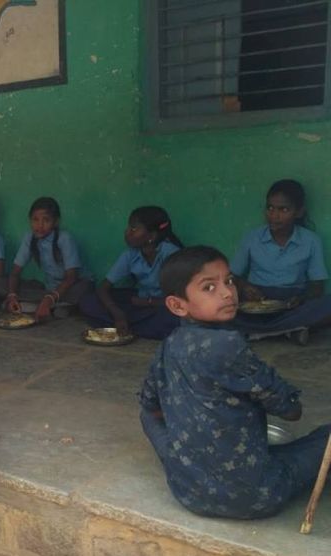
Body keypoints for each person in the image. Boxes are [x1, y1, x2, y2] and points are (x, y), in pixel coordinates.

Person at [139, 245, 331, 519]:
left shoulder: (168, 346)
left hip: (188, 491)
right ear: (177, 305)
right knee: (324, 439)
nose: (228, 292)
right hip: (256, 495)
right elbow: (290, 410)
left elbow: (150, 406)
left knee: (147, 416)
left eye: (229, 281)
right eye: (209, 287)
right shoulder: (227, 344)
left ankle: (189, 461)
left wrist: (189, 427)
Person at [230, 179, 331, 344]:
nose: (274, 216)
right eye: (270, 208)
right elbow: (231, 276)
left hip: (292, 303)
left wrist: (302, 299)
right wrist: (243, 286)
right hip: (257, 301)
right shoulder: (252, 237)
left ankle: (257, 332)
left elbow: (317, 286)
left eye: (283, 209)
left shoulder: (311, 241)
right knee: (220, 309)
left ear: (299, 212)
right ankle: (290, 330)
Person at [79, 206, 183, 339]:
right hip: (139, 303)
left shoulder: (170, 253)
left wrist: (148, 302)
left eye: (134, 229)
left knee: (173, 318)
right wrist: (117, 312)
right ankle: (133, 326)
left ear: (151, 235)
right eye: (129, 227)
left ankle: (129, 327)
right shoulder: (131, 254)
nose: (127, 232)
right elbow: (103, 287)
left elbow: (183, 299)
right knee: (89, 301)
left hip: (162, 305)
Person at [3, 197, 91, 321]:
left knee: (83, 291)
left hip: (71, 287)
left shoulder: (64, 238)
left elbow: (72, 277)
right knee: (0, 283)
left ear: (56, 222)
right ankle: (54, 307)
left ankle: (48, 305)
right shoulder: (29, 238)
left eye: (46, 220)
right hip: (48, 289)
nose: (40, 225)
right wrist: (12, 295)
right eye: (35, 220)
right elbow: (15, 272)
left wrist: (50, 298)